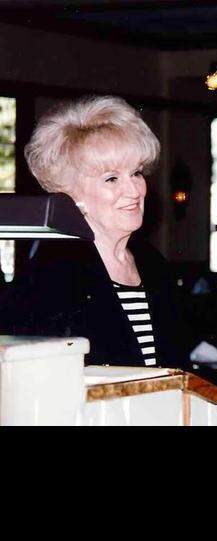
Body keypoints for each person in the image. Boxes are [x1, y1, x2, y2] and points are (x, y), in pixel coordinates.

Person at [0, 95, 188, 369]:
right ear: (71, 193)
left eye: (136, 173)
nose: (134, 190)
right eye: (112, 178)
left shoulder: (154, 265)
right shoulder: (54, 276)